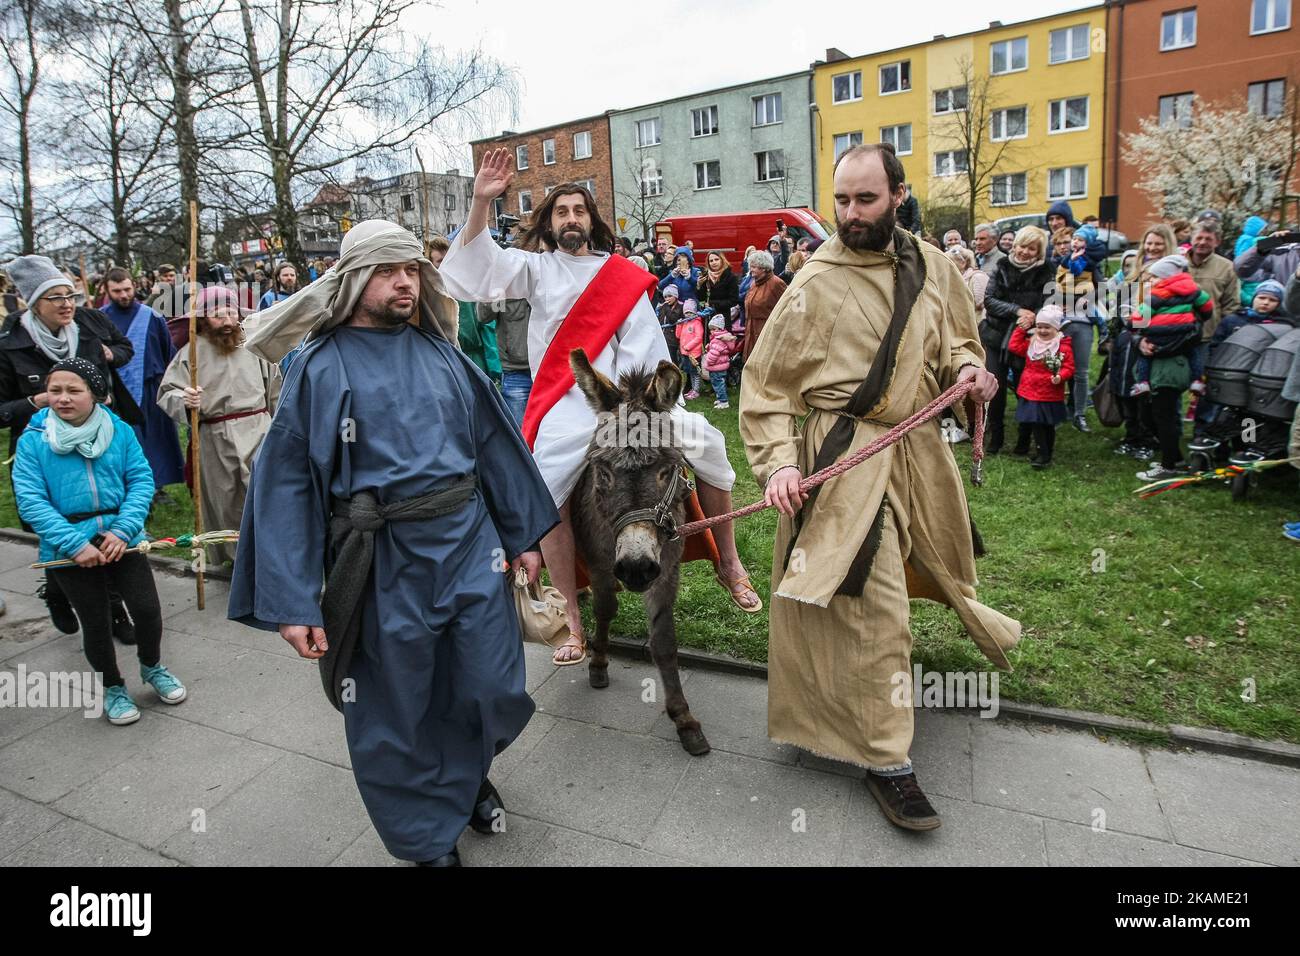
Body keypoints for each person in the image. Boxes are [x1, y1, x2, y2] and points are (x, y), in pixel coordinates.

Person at [231, 219, 559, 867]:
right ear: (355, 280)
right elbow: (287, 486)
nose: (405, 281)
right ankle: (425, 838)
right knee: (396, 703)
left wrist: (523, 535)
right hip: (380, 562)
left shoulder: (444, 355)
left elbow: (494, 445)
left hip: (469, 548)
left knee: (488, 683)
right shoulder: (319, 369)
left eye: (411, 269)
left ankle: (463, 776)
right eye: (388, 271)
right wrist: (296, 601)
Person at [739, 143, 1016, 832]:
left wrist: (969, 373)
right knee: (873, 603)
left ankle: (851, 708)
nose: (851, 214)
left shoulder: (932, 264)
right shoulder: (815, 281)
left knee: (919, 573)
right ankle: (887, 756)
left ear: (897, 195)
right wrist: (777, 462)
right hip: (843, 461)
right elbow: (765, 385)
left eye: (866, 199)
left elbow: (960, 340)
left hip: (916, 451)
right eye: (841, 200)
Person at [438, 155, 764, 668]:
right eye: (561, 211)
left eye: (579, 210)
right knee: (550, 483)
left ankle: (729, 560)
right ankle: (570, 614)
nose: (571, 218)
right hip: (567, 404)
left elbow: (646, 348)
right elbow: (473, 271)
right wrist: (481, 199)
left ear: (592, 220)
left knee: (707, 439)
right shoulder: (535, 268)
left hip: (626, 402)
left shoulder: (621, 275)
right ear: (549, 222)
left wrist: (635, 406)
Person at [12, 358, 184, 726]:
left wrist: (123, 530)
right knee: (96, 621)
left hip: (123, 539)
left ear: (96, 395)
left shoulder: (119, 431)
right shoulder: (34, 440)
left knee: (147, 610)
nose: (62, 399)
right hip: (69, 545)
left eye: (73, 390)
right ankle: (113, 687)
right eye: (55, 390)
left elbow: (140, 480)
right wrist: (74, 545)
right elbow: (30, 500)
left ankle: (152, 667)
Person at [0, 255, 143, 639]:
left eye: (71, 295)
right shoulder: (10, 344)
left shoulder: (90, 323)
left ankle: (114, 612)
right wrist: (36, 402)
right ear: (34, 302)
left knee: (107, 523)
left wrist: (109, 364)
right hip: (47, 454)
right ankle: (57, 591)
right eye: (56, 298)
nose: (67, 304)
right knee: (58, 528)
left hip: (101, 441)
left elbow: (122, 347)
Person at [157, 286, 281, 566]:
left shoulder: (253, 344)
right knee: (226, 502)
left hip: (257, 429)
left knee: (265, 496)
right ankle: (239, 562)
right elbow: (168, 392)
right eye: (216, 315)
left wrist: (277, 428)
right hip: (214, 437)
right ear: (202, 319)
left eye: (230, 312)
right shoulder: (191, 352)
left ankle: (271, 557)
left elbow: (274, 388)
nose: (226, 321)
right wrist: (184, 398)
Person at [99, 268, 184, 497]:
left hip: (151, 388)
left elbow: (169, 352)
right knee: (128, 441)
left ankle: (158, 487)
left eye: (127, 289)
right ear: (107, 290)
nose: (124, 295)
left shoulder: (152, 316)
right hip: (118, 392)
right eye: (117, 291)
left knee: (156, 439)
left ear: (134, 286)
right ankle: (132, 489)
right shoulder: (100, 319)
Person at [981, 225, 1056, 454]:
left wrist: (1033, 318)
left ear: (1039, 251)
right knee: (996, 387)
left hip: (1028, 338)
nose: (1025, 252)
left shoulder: (1046, 271)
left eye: (1031, 249)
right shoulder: (1002, 266)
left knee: (1026, 388)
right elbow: (989, 300)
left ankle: (1024, 439)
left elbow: (1049, 303)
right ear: (1015, 245)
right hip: (996, 334)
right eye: (1022, 246)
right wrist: (1017, 311)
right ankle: (996, 436)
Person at [1128, 254, 1211, 398]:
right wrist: (1204, 316)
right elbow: (1207, 306)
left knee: (1145, 355)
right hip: (1185, 336)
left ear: (1166, 278)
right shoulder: (1193, 291)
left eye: (1155, 277)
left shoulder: (1156, 295)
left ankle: (1143, 382)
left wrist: (1131, 323)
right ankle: (1197, 380)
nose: (1152, 280)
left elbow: (1139, 318)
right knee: (1193, 352)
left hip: (1158, 337)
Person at [1007, 304, 1075, 468]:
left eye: (1047, 327)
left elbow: (1069, 367)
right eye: (1039, 327)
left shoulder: (1062, 347)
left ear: (1056, 328)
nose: (1043, 331)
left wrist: (1060, 376)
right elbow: (1014, 346)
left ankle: (1045, 453)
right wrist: (1022, 329)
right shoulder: (1032, 343)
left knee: (1047, 425)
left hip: (1049, 392)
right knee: (1033, 422)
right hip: (1030, 389)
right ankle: (1040, 453)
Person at [1054, 232, 1096, 431]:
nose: (1065, 245)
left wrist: (1092, 297)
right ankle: (1055, 411)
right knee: (1055, 369)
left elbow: (1102, 288)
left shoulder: (1089, 263)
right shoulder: (1058, 265)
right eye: (1060, 242)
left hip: (1083, 323)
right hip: (1059, 323)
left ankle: (1079, 414)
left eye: (1068, 241)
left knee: (1081, 373)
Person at [479, 296, 532, 426]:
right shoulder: (502, 286)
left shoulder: (550, 279)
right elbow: (484, 316)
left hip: (550, 369)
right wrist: (494, 285)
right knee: (521, 436)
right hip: (516, 373)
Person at [741, 249, 786, 361]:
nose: (750, 270)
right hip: (751, 331)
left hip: (767, 332)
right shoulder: (754, 284)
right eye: (750, 266)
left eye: (754, 267)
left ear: (764, 268)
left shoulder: (776, 283)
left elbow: (787, 308)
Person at [703, 314, 737, 408]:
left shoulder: (718, 340)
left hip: (716, 366)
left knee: (718, 384)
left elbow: (714, 353)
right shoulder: (721, 338)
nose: (712, 331)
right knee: (719, 383)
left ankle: (723, 401)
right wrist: (709, 347)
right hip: (721, 365)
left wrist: (709, 361)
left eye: (714, 329)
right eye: (711, 329)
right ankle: (721, 398)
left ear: (720, 328)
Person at [697, 252, 739, 320]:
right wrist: (699, 286)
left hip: (723, 317)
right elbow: (701, 299)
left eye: (716, 259)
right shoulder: (705, 276)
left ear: (722, 260)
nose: (714, 262)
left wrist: (713, 304)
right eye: (711, 261)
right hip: (708, 317)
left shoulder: (731, 277)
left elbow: (733, 301)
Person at [676, 298, 704, 399]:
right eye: (686, 312)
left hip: (693, 353)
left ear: (694, 312)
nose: (688, 314)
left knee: (695, 372)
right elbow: (678, 336)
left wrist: (688, 346)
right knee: (690, 372)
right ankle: (692, 389)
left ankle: (696, 390)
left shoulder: (697, 323)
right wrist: (679, 325)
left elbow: (698, 338)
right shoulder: (685, 323)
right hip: (685, 353)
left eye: (690, 312)